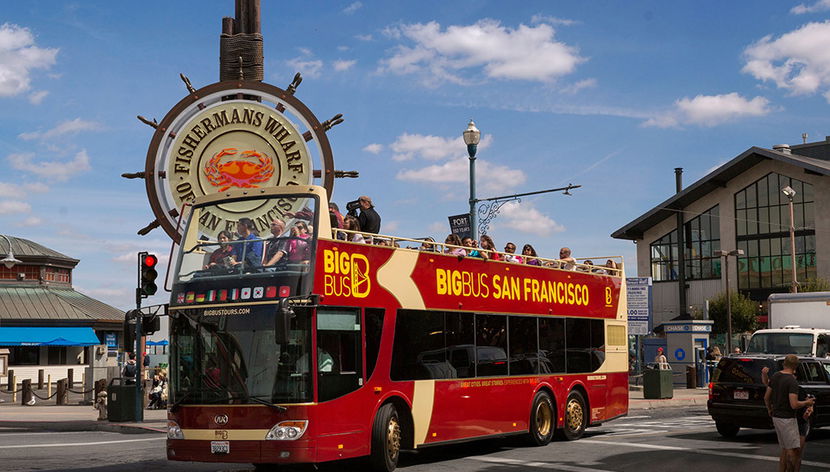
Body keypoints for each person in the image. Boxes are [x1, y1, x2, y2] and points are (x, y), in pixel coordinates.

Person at [765, 354, 815, 472]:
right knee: (793, 451)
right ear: (795, 366)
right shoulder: (792, 381)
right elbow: (794, 404)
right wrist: (807, 402)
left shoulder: (776, 376)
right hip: (787, 418)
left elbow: (766, 397)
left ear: (784, 364)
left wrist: (769, 409)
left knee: (785, 448)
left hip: (776, 417)